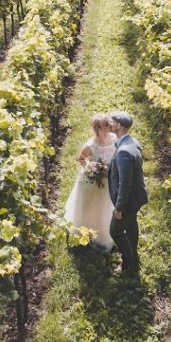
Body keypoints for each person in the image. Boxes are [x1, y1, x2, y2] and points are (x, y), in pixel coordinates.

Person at [63, 113, 117, 251]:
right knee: (91, 206)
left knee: (106, 206)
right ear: (98, 128)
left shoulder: (114, 138)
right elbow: (81, 158)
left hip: (108, 179)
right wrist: (91, 167)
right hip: (94, 181)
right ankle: (87, 230)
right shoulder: (91, 145)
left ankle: (103, 232)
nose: (110, 124)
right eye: (106, 124)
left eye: (109, 122)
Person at [107, 110, 148, 278]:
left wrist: (119, 208)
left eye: (112, 121)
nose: (109, 123)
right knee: (131, 223)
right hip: (137, 196)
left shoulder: (124, 151)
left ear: (119, 125)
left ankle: (128, 263)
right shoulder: (132, 141)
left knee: (115, 232)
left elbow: (125, 184)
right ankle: (133, 251)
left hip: (129, 200)